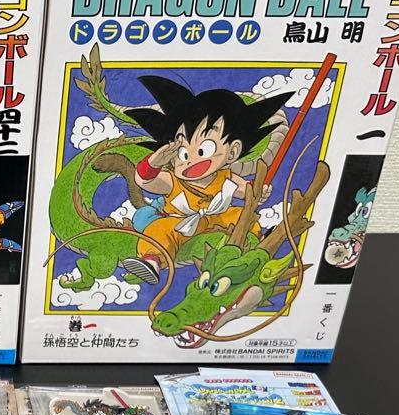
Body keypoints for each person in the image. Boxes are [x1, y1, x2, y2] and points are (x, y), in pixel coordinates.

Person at [118, 75, 292, 285]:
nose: (191, 160)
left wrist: (257, 193)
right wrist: (154, 163)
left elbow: (247, 192)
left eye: (203, 150)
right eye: (183, 153)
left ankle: (257, 244)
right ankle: (152, 261)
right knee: (160, 230)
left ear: (232, 151)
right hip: (180, 222)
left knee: (241, 216)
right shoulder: (173, 180)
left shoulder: (226, 177)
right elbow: (144, 181)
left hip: (218, 219)